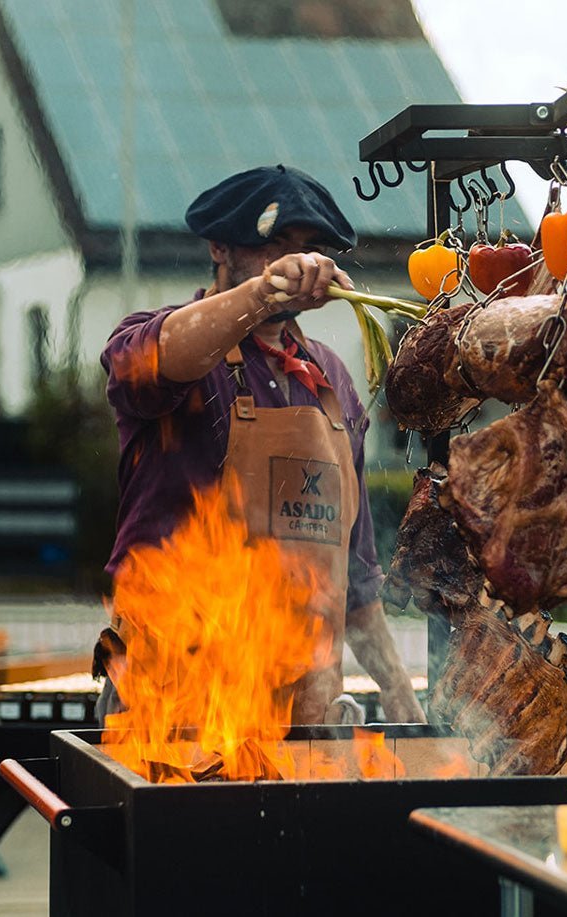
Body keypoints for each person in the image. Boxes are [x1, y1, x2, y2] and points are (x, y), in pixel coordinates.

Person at [95, 164, 425, 726]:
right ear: (219, 246)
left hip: (305, 713)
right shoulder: (161, 341)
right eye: (276, 245)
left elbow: (357, 580)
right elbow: (152, 362)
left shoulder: (334, 380)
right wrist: (263, 293)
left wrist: (401, 698)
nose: (296, 263)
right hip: (177, 705)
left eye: (310, 248)